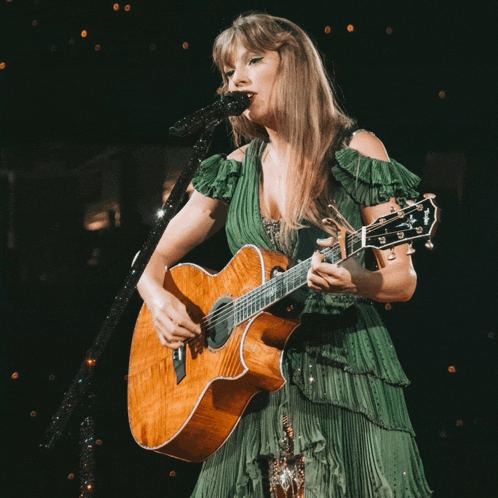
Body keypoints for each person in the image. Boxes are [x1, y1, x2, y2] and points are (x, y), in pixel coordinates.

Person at [137, 12, 432, 498]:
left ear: (293, 67)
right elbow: (151, 256)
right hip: (246, 387)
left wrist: (357, 281)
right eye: (229, 72)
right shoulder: (234, 167)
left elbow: (403, 280)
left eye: (254, 60)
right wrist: (159, 299)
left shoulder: (355, 150)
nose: (239, 79)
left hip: (341, 371)